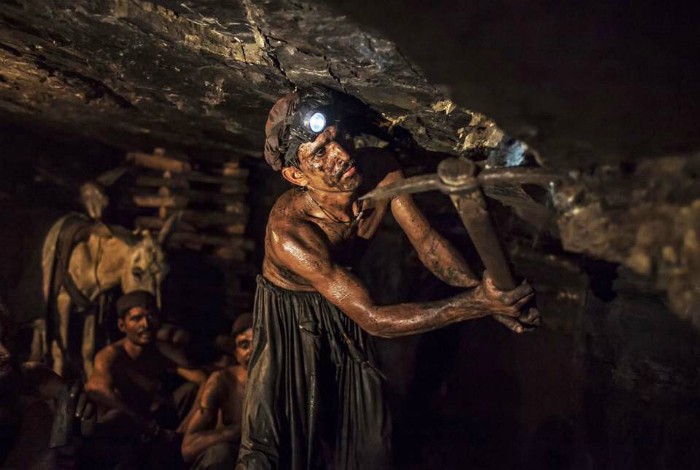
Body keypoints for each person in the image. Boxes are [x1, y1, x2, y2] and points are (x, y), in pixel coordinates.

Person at [236, 85, 540, 469]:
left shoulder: (380, 170)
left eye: (338, 138)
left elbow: (427, 243)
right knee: (275, 443)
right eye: (321, 153)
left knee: (368, 440)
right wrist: (479, 304)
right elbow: (374, 319)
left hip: (345, 302)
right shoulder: (291, 234)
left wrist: (491, 297)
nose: (342, 154)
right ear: (296, 174)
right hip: (290, 320)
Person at [85, 290, 206, 468]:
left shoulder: (161, 351)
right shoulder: (111, 355)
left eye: (150, 316)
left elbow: (203, 379)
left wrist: (187, 425)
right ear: (122, 325)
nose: (146, 324)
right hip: (127, 424)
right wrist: (143, 424)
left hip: (156, 418)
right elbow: (96, 389)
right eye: (136, 318)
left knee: (192, 390)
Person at [0, 294, 94, 469]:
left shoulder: (34, 379)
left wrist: (82, 412)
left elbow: (84, 429)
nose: (6, 353)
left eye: (4, 339)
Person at [181, 313, 254, 469]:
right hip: (231, 461)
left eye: (260, 342)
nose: (252, 350)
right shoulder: (222, 380)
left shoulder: (285, 380)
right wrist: (241, 430)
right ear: (235, 353)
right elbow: (189, 447)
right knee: (220, 453)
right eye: (244, 345)